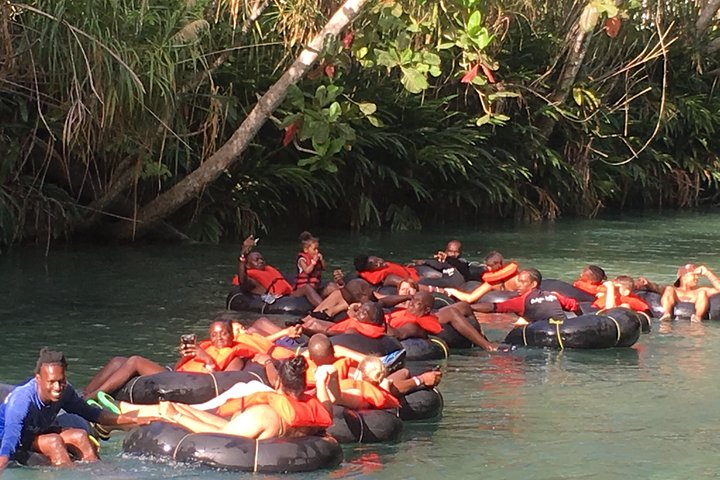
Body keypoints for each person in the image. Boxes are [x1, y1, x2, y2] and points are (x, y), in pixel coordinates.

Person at [0, 348, 150, 470]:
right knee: (54, 442)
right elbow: (11, 435)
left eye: (61, 381)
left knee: (80, 436)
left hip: (35, 434)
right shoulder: (22, 400)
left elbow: (92, 414)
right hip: (10, 440)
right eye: (51, 382)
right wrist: (3, 461)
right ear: (38, 379)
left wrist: (134, 419)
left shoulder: (65, 392)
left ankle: (102, 473)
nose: (57, 387)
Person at [154, 356, 336, 440]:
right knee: (183, 407)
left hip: (260, 431)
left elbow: (222, 437)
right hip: (275, 435)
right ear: (304, 385)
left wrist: (176, 416)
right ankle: (181, 407)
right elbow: (326, 407)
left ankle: (174, 411)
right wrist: (321, 382)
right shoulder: (314, 410)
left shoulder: (265, 413)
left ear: (278, 382)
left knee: (174, 412)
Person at [83, 320, 253, 400]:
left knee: (135, 360)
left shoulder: (235, 356)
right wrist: (187, 355)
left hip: (184, 385)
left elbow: (225, 383)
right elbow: (188, 365)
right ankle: (84, 394)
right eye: (214, 334)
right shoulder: (207, 346)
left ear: (231, 334)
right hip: (176, 375)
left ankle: (97, 395)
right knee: (118, 361)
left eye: (223, 333)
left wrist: (207, 360)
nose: (219, 338)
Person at [386, 291, 497, 352]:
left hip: (426, 317)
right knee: (453, 311)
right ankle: (486, 345)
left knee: (463, 306)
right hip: (422, 322)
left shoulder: (424, 316)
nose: (411, 303)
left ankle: (482, 340)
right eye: (412, 300)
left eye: (417, 303)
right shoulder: (410, 324)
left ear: (427, 310)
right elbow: (396, 333)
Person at [470, 268, 581, 324]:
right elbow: (574, 305)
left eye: (522, 282)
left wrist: (470, 307)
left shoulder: (522, 301)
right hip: (566, 329)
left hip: (547, 335)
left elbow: (494, 307)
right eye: (519, 281)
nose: (518, 285)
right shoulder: (553, 295)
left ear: (533, 284)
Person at [444, 251, 519, 303]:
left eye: (490, 266)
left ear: (499, 265)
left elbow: (469, 298)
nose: (487, 269)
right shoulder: (517, 276)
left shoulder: (492, 282)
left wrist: (452, 291)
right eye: (487, 266)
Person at [411, 240, 479, 283]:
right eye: (450, 251)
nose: (453, 254)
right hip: (444, 282)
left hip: (459, 286)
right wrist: (423, 262)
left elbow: (457, 264)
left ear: (461, 253)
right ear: (445, 251)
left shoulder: (463, 263)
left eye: (456, 252)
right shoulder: (444, 263)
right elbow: (436, 265)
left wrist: (447, 258)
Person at [295, 231, 337, 298]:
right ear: (306, 250)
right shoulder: (302, 260)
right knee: (308, 288)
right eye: (314, 249)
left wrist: (321, 260)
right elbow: (307, 271)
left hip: (315, 288)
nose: (317, 251)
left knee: (332, 286)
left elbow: (324, 268)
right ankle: (320, 305)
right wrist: (313, 262)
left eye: (317, 249)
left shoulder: (317, 259)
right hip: (304, 290)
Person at [354, 254, 420, 287]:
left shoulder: (385, 265)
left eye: (377, 260)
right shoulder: (380, 274)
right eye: (375, 265)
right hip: (413, 279)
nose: (379, 263)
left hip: (411, 272)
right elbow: (374, 280)